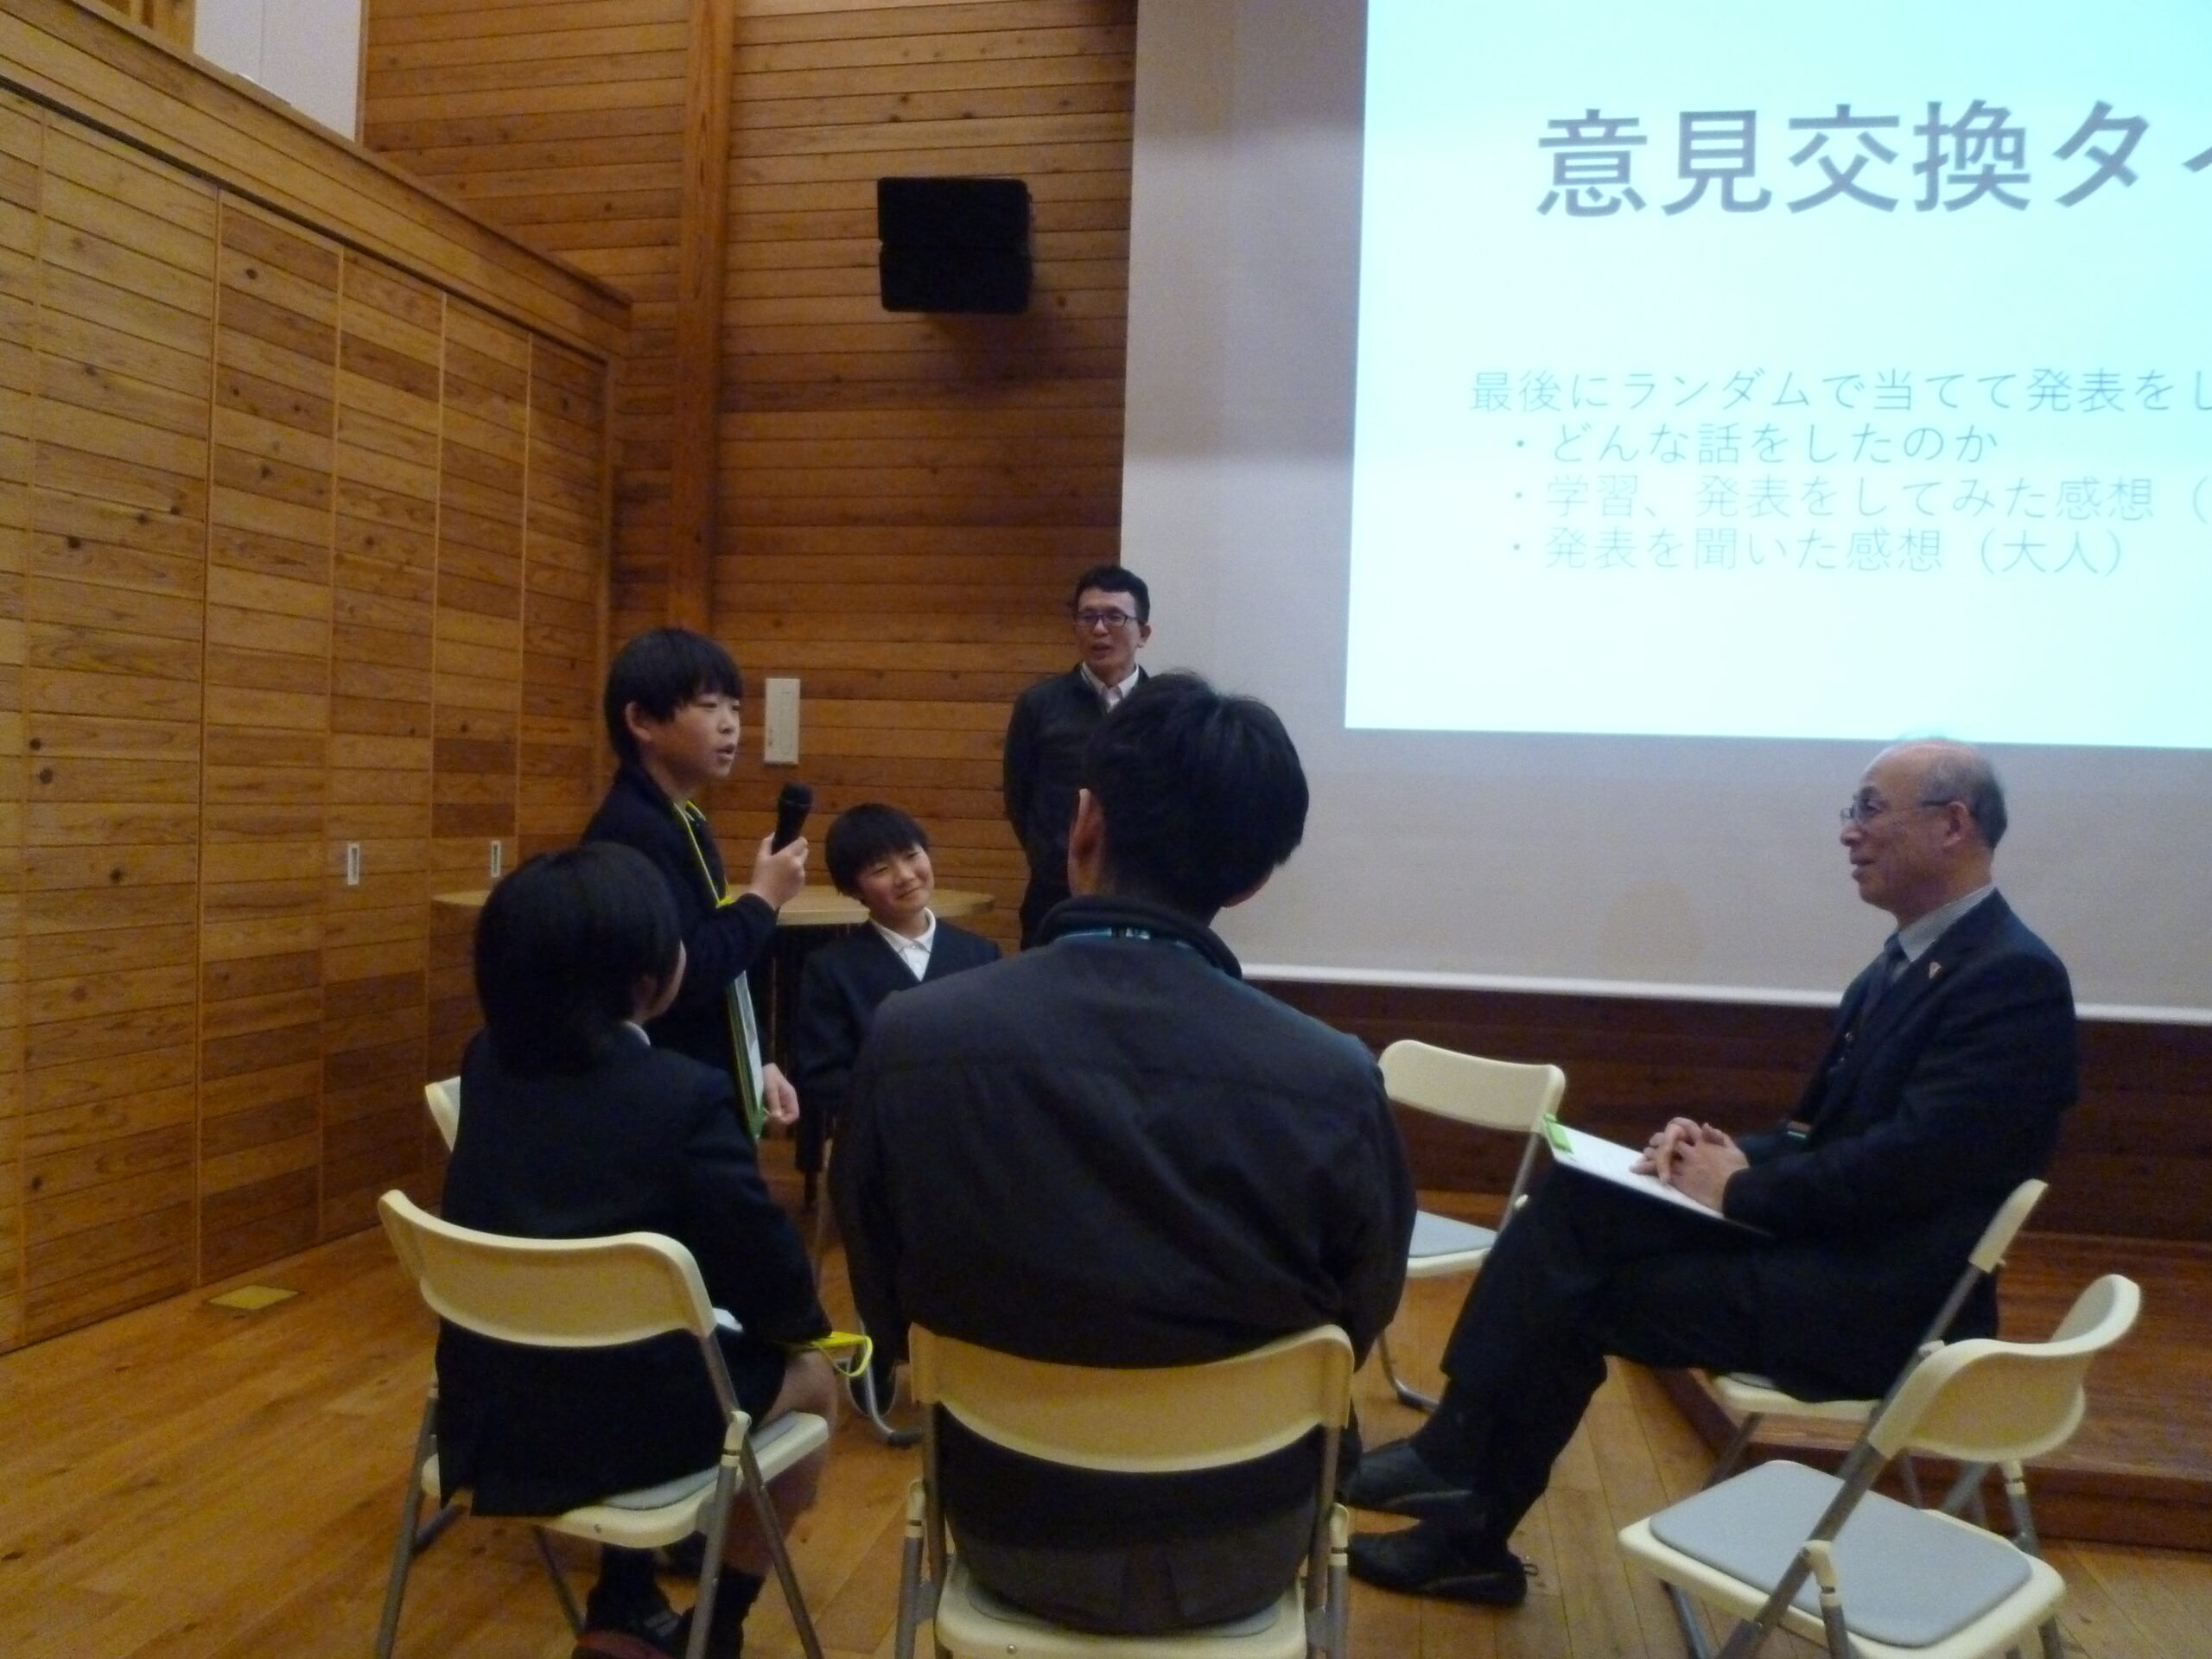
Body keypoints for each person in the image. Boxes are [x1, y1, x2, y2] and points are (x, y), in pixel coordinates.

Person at [1344, 740, 2078, 1608]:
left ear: (1953, 824)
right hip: (1831, 1255)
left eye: (1869, 809)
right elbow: (1814, 1137)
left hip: (1881, 1306)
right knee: (1581, 1192)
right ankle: (1457, 1474)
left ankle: (1461, 1499)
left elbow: (1907, 1167)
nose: (1849, 832)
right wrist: (1709, 1155)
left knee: (1580, 1294)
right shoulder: (1902, 966)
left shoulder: (2011, 980)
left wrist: (1740, 1188)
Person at [836, 673, 1415, 1636]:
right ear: (1253, 878)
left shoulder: (908, 1040)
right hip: (1245, 1539)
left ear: (1084, 826)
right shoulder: (1335, 1080)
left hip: (1005, 1525)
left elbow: (884, 1307)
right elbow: (1361, 1314)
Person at [436, 843, 838, 1659]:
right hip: (625, 1426)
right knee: (815, 1384)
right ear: (650, 980)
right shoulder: (683, 1097)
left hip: (487, 1412)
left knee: (652, 1340)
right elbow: (777, 1288)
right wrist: (802, 1332)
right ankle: (715, 1630)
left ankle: (622, 1601)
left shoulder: (483, 1064)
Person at [583, 627, 807, 1140]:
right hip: (666, 1100)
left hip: (700, 1077)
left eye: (735, 708)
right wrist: (763, 898)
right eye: (709, 707)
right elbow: (680, 974)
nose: (730, 725)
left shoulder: (680, 816)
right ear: (641, 721)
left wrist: (757, 1057)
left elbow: (721, 964)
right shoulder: (631, 829)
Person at [791, 801, 1000, 1173]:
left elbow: (1000, 1053)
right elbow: (822, 1073)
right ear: (853, 888)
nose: (905, 876)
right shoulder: (831, 968)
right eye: (881, 869)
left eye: (911, 855)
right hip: (881, 1147)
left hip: (973, 1141)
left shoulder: (980, 954)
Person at [1001, 563, 1152, 945]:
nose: (1099, 629)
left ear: (1143, 633)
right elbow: (1019, 799)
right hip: (1056, 902)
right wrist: (1057, 859)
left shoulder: (1167, 708)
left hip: (1146, 902)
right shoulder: (1040, 705)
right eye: (1088, 617)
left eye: (1114, 617)